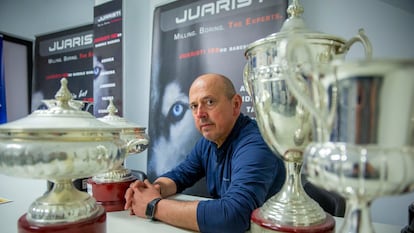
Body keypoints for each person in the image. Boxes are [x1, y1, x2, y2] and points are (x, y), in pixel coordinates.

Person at [124, 73, 286, 233]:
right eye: (194, 106)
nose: (200, 114)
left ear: (235, 104)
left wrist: (153, 206)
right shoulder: (209, 141)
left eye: (209, 102)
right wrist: (153, 190)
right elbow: (180, 175)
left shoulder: (256, 142)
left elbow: (235, 215)